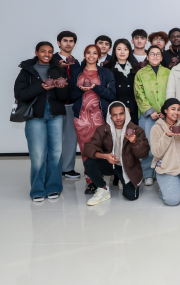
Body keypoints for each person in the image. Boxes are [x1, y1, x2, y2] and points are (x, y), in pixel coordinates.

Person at [14, 41, 70, 201]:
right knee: (38, 154)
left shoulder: (58, 69)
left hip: (55, 116)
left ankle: (54, 187)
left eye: (50, 51)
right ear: (36, 52)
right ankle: (37, 189)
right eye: (43, 51)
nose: (47, 54)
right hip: (35, 117)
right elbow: (20, 94)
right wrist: (41, 87)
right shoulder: (27, 70)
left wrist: (61, 87)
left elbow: (64, 96)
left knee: (56, 153)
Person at [82, 102, 149, 205]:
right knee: (89, 163)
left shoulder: (136, 130)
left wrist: (135, 142)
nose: (118, 118)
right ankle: (103, 189)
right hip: (110, 163)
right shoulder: (103, 129)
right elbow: (88, 148)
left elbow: (143, 153)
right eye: (114, 115)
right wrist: (105, 156)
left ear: (126, 114)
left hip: (128, 167)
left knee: (131, 197)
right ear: (110, 116)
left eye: (121, 114)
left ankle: (121, 179)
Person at [70, 45, 116, 195]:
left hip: (99, 117)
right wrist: (80, 90)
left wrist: (95, 87)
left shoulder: (106, 73)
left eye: (94, 53)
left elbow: (111, 95)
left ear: (99, 55)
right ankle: (90, 182)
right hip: (81, 118)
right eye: (88, 53)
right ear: (84, 54)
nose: (91, 55)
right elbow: (70, 95)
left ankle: (99, 180)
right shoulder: (76, 72)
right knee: (85, 150)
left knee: (99, 149)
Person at [134, 44, 170, 187]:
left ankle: (163, 171)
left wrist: (165, 111)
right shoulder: (141, 73)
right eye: (152, 54)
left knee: (165, 143)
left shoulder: (168, 72)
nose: (155, 56)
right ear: (147, 57)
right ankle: (148, 173)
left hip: (166, 115)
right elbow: (139, 94)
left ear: (161, 57)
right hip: (148, 116)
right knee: (148, 144)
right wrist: (150, 111)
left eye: (158, 54)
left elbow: (171, 92)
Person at [51, 31, 81, 180]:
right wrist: (58, 66)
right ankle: (53, 168)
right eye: (65, 40)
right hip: (55, 105)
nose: (68, 43)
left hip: (71, 105)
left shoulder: (76, 63)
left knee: (70, 138)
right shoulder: (51, 60)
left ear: (74, 44)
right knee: (54, 138)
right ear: (59, 43)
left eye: (71, 41)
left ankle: (67, 168)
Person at [105, 39, 140, 125]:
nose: (122, 52)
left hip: (133, 110)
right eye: (119, 49)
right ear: (114, 51)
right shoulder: (107, 68)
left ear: (129, 51)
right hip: (115, 112)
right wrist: (121, 108)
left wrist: (130, 107)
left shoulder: (137, 69)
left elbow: (139, 91)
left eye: (125, 49)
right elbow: (107, 92)